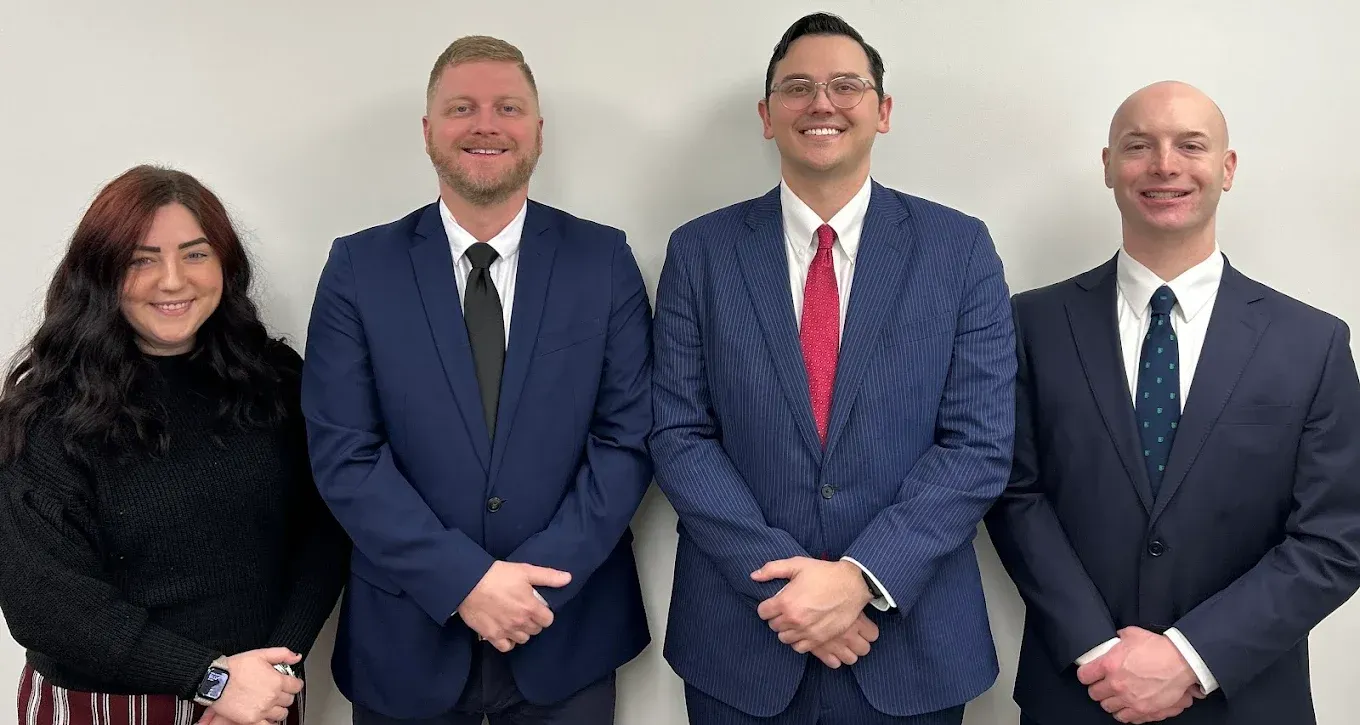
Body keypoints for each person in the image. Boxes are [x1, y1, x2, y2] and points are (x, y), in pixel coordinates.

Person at [649, 12, 1016, 725]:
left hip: (909, 640)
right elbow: (679, 434)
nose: (822, 103)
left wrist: (860, 577)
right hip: (743, 639)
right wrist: (790, 592)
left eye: (846, 85)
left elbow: (978, 444)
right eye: (798, 88)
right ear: (766, 115)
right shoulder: (700, 252)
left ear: (882, 111)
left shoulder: (959, 248)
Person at [300, 35, 653, 725]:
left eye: (507, 107)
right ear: (429, 131)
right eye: (462, 107)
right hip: (405, 638)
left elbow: (627, 439)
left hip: (566, 632)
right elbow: (345, 453)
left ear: (538, 133)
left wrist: (531, 587)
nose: (485, 123)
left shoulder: (603, 259)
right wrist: (464, 580)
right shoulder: (357, 268)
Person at [985, 80, 1360, 725]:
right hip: (1080, 692)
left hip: (1246, 699)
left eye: (1191, 145)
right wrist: (1100, 652)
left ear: (1227, 168)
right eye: (1139, 146)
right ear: (1108, 167)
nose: (1165, 165)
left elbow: (1337, 536)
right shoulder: (1032, 323)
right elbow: (1015, 493)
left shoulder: (1314, 341)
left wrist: (1191, 658)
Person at [0, 165, 350, 725]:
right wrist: (210, 680)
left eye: (194, 254)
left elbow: (326, 527)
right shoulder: (49, 411)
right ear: (100, 273)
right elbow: (43, 602)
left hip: (261, 697)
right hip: (104, 706)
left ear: (225, 264)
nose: (172, 281)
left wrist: (273, 675)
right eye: (141, 259)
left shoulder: (276, 380)